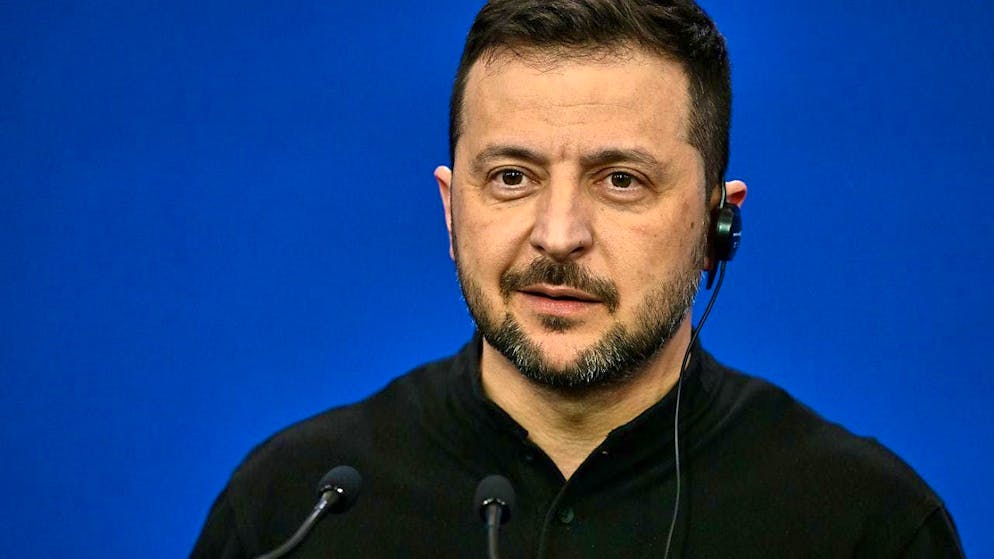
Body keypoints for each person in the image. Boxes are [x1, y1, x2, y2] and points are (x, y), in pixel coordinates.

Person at [191, 1, 964, 557]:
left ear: (715, 226)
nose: (559, 234)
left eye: (621, 180)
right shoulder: (294, 509)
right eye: (512, 177)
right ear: (451, 209)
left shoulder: (868, 523)